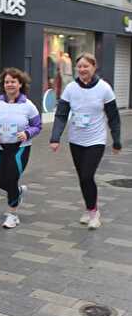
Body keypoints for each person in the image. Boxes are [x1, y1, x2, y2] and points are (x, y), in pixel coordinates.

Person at [50, 53, 121, 230]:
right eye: (79, 66)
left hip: (96, 140)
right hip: (76, 140)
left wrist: (117, 140)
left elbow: (113, 117)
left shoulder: (104, 88)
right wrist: (55, 137)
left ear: (94, 67)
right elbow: (61, 115)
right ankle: (90, 207)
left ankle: (93, 213)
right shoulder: (71, 88)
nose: (82, 69)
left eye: (85, 66)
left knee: (87, 175)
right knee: (83, 179)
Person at [0, 68, 42, 229]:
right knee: (1, 182)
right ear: (3, 85)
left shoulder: (28, 105)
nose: (9, 84)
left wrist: (27, 133)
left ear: (20, 84)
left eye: (13, 81)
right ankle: (17, 192)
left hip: (20, 148)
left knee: (11, 178)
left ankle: (12, 214)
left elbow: (37, 126)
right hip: (0, 147)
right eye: (6, 82)